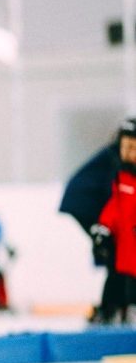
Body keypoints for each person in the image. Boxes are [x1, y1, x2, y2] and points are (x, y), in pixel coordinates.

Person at [60, 124, 130, 324]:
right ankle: (110, 309)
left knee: (116, 255)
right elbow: (115, 193)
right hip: (86, 205)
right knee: (117, 255)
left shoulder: (118, 153)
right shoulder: (117, 158)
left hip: (86, 202)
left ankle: (113, 308)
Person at [91, 118, 136, 322]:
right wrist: (104, 227)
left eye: (133, 148)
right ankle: (117, 317)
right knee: (123, 286)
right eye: (125, 147)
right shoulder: (121, 178)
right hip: (126, 251)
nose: (128, 153)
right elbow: (114, 208)